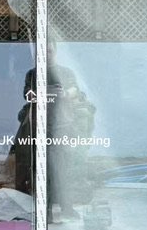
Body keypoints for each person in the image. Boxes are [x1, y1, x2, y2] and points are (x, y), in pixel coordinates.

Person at [12, 41, 95, 220]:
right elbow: (27, 93)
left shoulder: (65, 72)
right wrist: (37, 95)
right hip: (38, 127)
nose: (47, 55)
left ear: (55, 52)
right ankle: (46, 209)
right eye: (43, 52)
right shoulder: (32, 73)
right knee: (41, 167)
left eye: (49, 51)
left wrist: (64, 94)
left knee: (63, 167)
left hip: (62, 125)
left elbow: (74, 89)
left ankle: (66, 206)